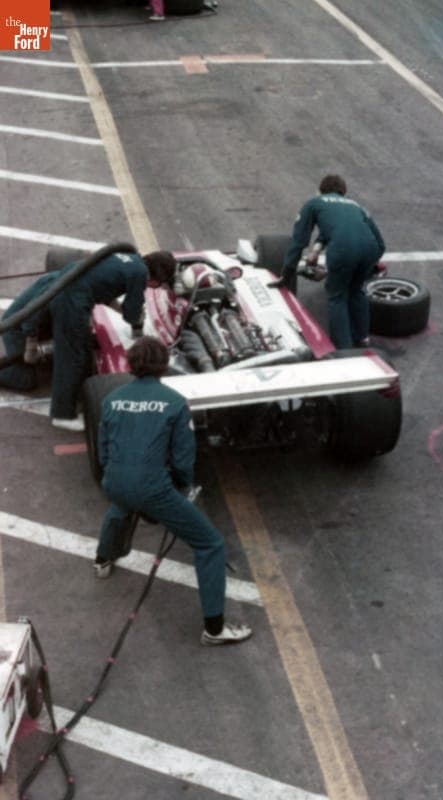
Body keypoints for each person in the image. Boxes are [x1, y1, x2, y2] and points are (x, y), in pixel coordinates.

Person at [94, 336, 253, 646]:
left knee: (121, 503)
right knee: (210, 544)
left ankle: (103, 559)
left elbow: (103, 452)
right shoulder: (175, 402)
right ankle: (215, 629)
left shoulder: (111, 399)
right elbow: (183, 458)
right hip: (152, 489)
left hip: (115, 479)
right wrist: (181, 486)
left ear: (132, 364)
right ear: (164, 366)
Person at [48, 249, 177, 431]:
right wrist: (138, 322)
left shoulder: (131, 260)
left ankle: (76, 397)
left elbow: (106, 285)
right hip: (72, 302)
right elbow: (132, 313)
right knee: (71, 358)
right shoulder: (139, 274)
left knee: (83, 351)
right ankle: (62, 415)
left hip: (71, 291)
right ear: (156, 278)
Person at [274, 175, 386, 350]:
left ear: (321, 190)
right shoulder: (356, 206)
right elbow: (380, 244)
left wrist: (286, 274)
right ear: (343, 192)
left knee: (337, 296)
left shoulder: (314, 203)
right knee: (356, 291)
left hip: (343, 250)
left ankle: (344, 349)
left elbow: (299, 241)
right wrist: (367, 266)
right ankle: (363, 339)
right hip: (370, 249)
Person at [0, 271, 60, 392]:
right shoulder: (64, 288)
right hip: (17, 327)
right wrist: (31, 345)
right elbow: (30, 317)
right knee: (25, 380)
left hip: (40, 323)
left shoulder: (80, 276)